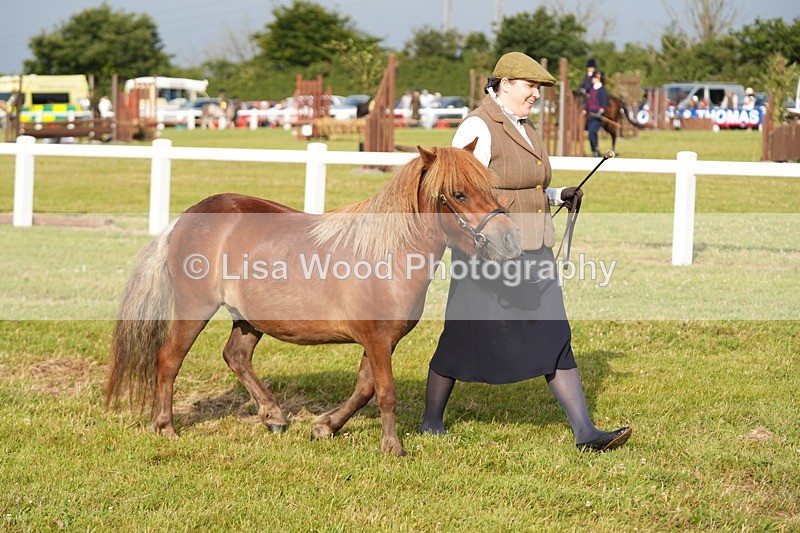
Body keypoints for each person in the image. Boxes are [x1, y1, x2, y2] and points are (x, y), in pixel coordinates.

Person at [418, 52, 632, 452]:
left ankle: (585, 432)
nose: (536, 94)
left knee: (555, 331)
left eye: (538, 88)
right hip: (490, 250)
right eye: (531, 86)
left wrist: (557, 194)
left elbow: (527, 185)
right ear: (505, 84)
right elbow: (464, 193)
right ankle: (431, 420)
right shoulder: (478, 125)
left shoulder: (526, 127)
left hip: (534, 245)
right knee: (463, 336)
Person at [583, 70, 608, 157]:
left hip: (597, 115)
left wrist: (600, 112)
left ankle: (596, 149)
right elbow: (588, 101)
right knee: (590, 132)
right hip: (590, 114)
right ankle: (594, 150)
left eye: (594, 78)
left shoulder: (602, 90)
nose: (592, 79)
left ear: (598, 78)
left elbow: (603, 102)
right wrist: (585, 109)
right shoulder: (591, 89)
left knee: (593, 131)